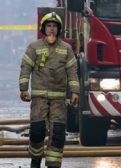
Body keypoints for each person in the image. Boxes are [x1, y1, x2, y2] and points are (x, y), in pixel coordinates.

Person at [18, 12, 79, 168]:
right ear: (43, 29)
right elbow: (26, 68)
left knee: (58, 134)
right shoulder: (34, 47)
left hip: (59, 100)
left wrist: (75, 91)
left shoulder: (66, 49)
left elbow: (72, 71)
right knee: (37, 131)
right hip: (39, 99)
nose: (51, 29)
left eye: (54, 26)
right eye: (48, 26)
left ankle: (53, 164)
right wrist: (23, 88)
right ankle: (36, 159)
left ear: (59, 29)